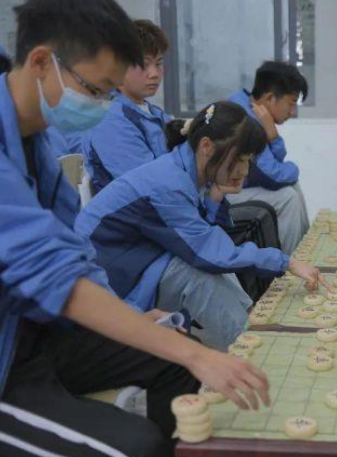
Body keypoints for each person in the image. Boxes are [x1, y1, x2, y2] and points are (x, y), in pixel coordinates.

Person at [0, 1, 269, 455]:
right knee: (137, 443)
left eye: (109, 94)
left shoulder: (37, 144)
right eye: (96, 90)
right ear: (42, 62)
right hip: (9, 360)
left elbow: (75, 251)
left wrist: (130, 313)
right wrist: (198, 353)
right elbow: (54, 275)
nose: (101, 107)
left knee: (176, 362)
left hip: (44, 330)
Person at [76, 101, 328, 350]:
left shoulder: (187, 170)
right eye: (240, 160)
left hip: (138, 258)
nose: (244, 171)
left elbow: (203, 235)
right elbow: (208, 253)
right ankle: (249, 353)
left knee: (216, 266)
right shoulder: (168, 184)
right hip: (103, 282)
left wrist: (215, 197)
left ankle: (246, 330)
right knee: (198, 277)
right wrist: (286, 262)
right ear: (207, 146)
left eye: (249, 161)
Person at [80, 19, 172, 192]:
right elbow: (150, 187)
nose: (154, 74)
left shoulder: (151, 112)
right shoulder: (110, 121)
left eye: (158, 63)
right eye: (143, 64)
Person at [227, 61, 310, 254]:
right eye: (291, 103)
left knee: (291, 188)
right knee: (288, 198)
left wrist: (273, 136)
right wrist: (295, 169)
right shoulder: (245, 118)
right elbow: (273, 175)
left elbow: (274, 163)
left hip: (240, 187)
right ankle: (291, 263)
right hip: (219, 196)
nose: (292, 112)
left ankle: (305, 251)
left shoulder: (251, 107)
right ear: (271, 98)